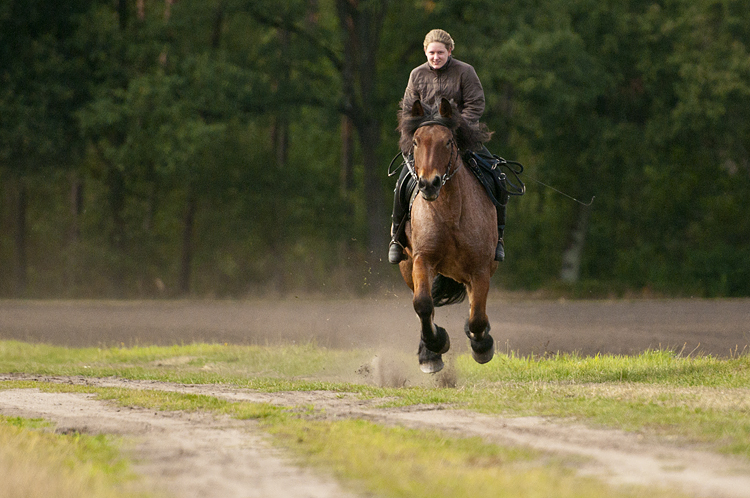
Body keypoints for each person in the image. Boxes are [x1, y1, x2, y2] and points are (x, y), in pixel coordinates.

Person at [388, 28, 508, 264]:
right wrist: (415, 136)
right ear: (425, 51)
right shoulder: (416, 74)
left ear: (449, 51)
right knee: (402, 182)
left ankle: (499, 237)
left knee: (497, 176)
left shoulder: (466, 72)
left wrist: (454, 127)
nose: (435, 57)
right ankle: (396, 238)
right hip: (425, 143)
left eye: (440, 53)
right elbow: (408, 110)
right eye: (431, 53)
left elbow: (476, 104)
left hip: (459, 138)